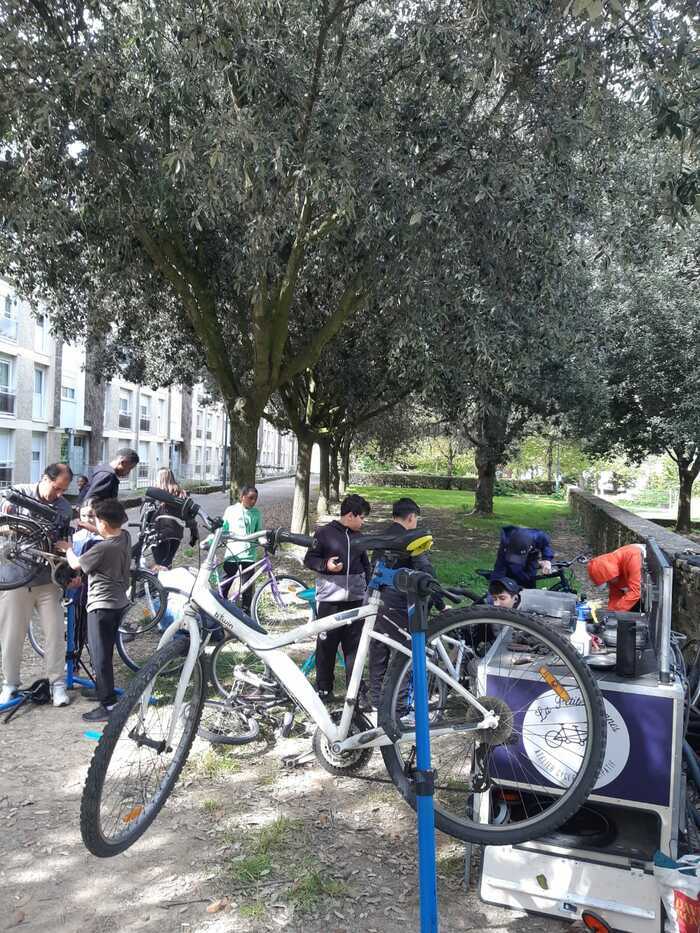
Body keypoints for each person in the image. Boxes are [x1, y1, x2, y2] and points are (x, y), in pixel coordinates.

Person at [0, 464, 74, 707]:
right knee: (11, 636)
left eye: (64, 490)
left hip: (47, 580)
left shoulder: (63, 507)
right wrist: (12, 527)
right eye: (56, 488)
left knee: (54, 635)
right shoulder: (17, 494)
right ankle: (10, 685)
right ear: (44, 478)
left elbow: (65, 542)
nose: (59, 495)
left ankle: (58, 685)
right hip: (15, 579)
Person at [368, 497, 443, 710]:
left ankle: (376, 701)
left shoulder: (382, 535)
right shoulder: (410, 540)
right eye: (416, 519)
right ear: (411, 517)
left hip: (375, 600)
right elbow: (426, 575)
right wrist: (440, 603)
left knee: (378, 651)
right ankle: (399, 708)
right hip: (398, 603)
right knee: (405, 655)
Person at [62, 498, 131, 722]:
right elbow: (107, 531)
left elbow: (75, 565)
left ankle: (108, 704)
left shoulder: (102, 548)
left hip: (101, 606)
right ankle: (104, 689)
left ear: (102, 523)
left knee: (100, 657)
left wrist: (68, 548)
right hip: (119, 603)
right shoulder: (124, 537)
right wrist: (91, 527)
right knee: (105, 653)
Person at [303, 494, 371, 704]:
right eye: (362, 517)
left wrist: (368, 586)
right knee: (326, 646)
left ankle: (356, 690)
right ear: (351, 515)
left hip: (356, 601)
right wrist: (326, 565)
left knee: (354, 648)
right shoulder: (324, 534)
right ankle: (324, 689)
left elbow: (365, 564)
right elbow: (309, 559)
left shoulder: (358, 536)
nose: (363, 522)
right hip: (330, 601)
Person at [219, 486, 263, 613]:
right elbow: (223, 528)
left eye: (255, 499)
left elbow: (258, 531)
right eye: (250, 498)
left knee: (247, 587)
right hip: (233, 553)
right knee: (226, 582)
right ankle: (219, 605)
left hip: (249, 555)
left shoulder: (256, 513)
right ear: (242, 497)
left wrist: (263, 540)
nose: (253, 501)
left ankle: (246, 612)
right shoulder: (231, 510)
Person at [142, 468, 198, 569]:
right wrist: (194, 533)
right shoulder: (181, 494)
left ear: (160, 479)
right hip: (176, 534)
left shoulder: (155, 494)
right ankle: (165, 580)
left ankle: (158, 583)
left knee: (159, 564)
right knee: (167, 562)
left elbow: (147, 515)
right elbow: (189, 515)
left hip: (159, 533)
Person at [587, 543, 646, 612]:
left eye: (608, 581)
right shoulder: (612, 574)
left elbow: (636, 591)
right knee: (627, 605)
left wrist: (616, 611)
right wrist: (610, 613)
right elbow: (615, 596)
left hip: (650, 587)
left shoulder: (633, 556)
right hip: (638, 590)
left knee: (633, 603)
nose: (609, 583)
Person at [492, 525, 554, 589]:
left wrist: (547, 560)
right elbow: (505, 567)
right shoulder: (506, 542)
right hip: (509, 554)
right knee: (510, 575)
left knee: (530, 578)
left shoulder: (540, 536)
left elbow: (546, 546)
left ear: (531, 547)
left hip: (532, 556)